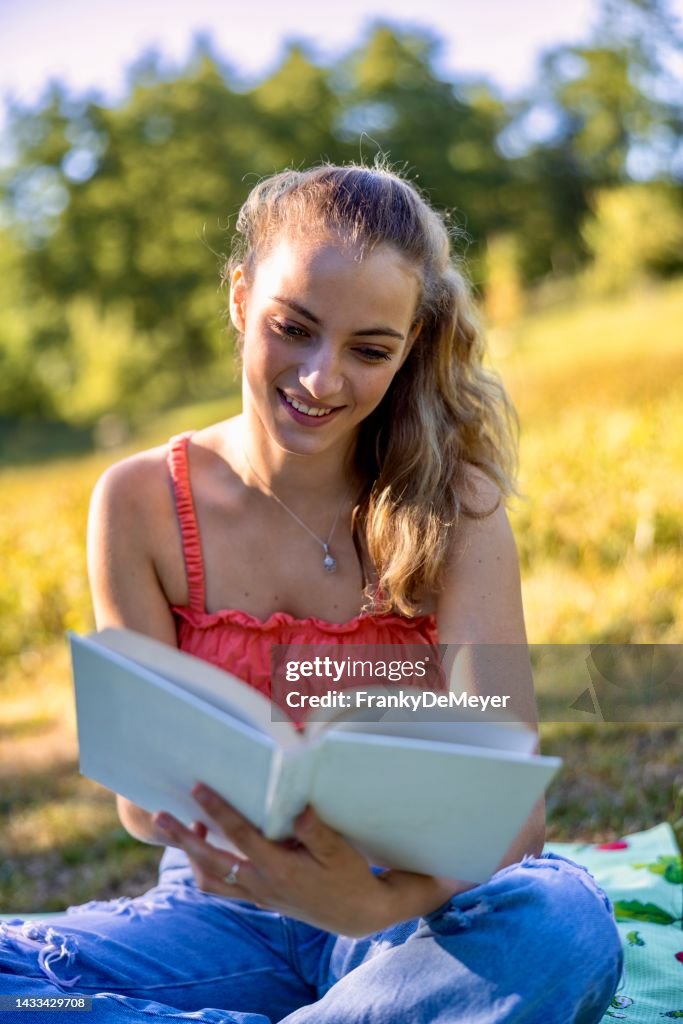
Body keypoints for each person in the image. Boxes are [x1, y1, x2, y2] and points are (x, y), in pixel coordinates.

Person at [0, 163, 622, 1022]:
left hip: (409, 913)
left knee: (562, 925)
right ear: (239, 296)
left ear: (409, 348)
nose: (322, 380)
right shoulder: (138, 501)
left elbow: (511, 821)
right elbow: (143, 807)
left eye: (370, 349)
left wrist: (364, 905)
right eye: (293, 329)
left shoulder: (456, 503)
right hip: (221, 908)